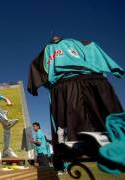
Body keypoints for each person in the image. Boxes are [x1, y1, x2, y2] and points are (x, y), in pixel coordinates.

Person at [27, 36, 124, 170]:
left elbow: (36, 73)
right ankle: (88, 149)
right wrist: (115, 69)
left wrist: (47, 86)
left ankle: (89, 149)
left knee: (76, 134)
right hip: (93, 81)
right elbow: (94, 48)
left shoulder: (47, 50)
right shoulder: (81, 43)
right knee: (106, 126)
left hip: (68, 86)